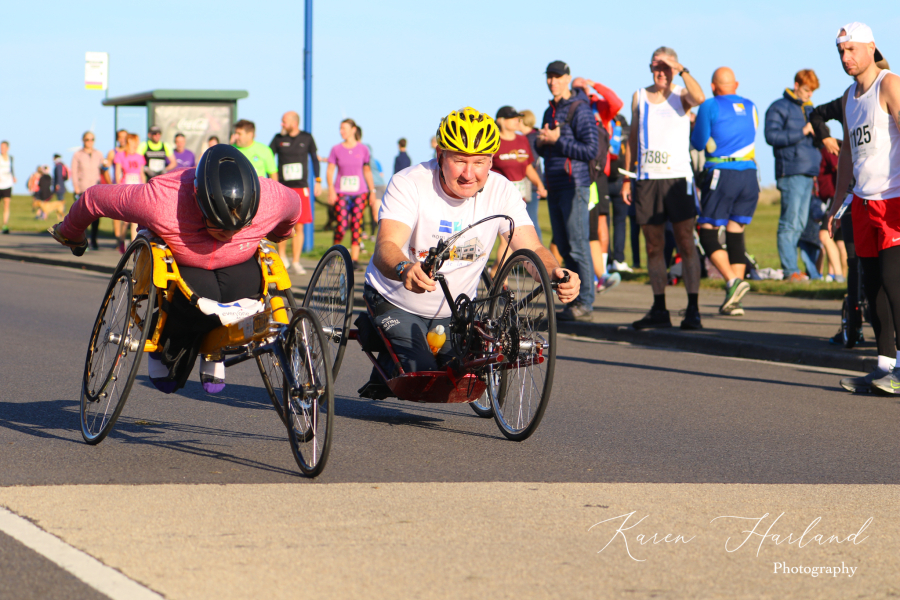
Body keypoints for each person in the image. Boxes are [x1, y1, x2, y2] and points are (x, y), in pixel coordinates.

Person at [357, 107, 580, 399]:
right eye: (459, 160)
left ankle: (412, 348)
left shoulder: (501, 190)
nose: (468, 174)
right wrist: (404, 268)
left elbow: (532, 249)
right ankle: (382, 345)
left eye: (479, 162)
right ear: (441, 156)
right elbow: (385, 246)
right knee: (421, 379)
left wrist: (553, 272)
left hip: (453, 311)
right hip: (396, 298)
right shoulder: (410, 182)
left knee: (461, 377)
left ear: (491, 161)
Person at [50, 145, 302, 395]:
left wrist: (280, 234)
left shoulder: (273, 198)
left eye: (238, 227)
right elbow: (94, 199)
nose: (228, 234)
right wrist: (71, 232)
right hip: (183, 263)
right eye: (219, 226)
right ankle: (168, 348)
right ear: (198, 201)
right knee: (193, 298)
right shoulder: (161, 199)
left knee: (249, 290)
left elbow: (295, 207)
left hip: (239, 261)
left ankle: (215, 347)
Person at [824, 23, 900, 394]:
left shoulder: (890, 84)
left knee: (894, 281)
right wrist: (838, 203)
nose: (846, 57)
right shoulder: (847, 97)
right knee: (872, 287)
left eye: (852, 49)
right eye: (841, 51)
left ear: (871, 48)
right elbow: (848, 155)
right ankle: (886, 366)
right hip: (863, 202)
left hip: (894, 198)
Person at [622, 47, 705, 329]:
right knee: (654, 246)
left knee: (685, 241)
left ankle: (693, 309)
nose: (661, 72)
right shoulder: (640, 96)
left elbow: (700, 98)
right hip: (647, 178)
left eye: (666, 67)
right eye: (656, 67)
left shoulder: (682, 93)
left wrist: (680, 69)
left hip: (678, 178)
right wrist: (626, 176)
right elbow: (632, 137)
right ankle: (659, 308)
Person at [690, 67, 759, 317]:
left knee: (707, 230)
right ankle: (734, 301)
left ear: (712, 86)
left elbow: (698, 143)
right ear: (736, 85)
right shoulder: (751, 106)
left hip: (722, 172)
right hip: (750, 173)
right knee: (735, 230)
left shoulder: (709, 105)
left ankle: (732, 281)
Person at [535, 60, 600, 321]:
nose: (553, 81)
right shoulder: (549, 111)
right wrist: (542, 143)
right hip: (555, 184)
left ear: (567, 78)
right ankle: (574, 302)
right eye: (549, 76)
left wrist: (557, 140)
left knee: (578, 245)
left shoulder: (580, 109)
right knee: (562, 244)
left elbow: (590, 150)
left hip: (576, 185)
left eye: (558, 76)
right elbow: (546, 150)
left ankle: (586, 302)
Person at [765, 69, 821, 282]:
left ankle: (801, 271)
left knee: (800, 224)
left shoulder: (808, 108)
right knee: (789, 223)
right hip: (791, 171)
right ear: (796, 85)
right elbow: (771, 136)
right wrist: (803, 132)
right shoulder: (779, 107)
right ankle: (790, 271)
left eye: (812, 91)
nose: (809, 95)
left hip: (809, 172)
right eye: (807, 90)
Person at [573, 77, 625, 294]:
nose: (579, 91)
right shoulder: (572, 107)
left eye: (581, 88)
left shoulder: (598, 106)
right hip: (577, 174)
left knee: (599, 221)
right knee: (573, 227)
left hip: (598, 174)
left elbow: (617, 103)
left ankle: (599, 272)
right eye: (575, 88)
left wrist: (595, 86)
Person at [489, 105, 547, 278]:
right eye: (512, 118)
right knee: (507, 239)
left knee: (523, 234)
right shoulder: (494, 141)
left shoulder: (522, 140)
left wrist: (540, 184)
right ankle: (501, 279)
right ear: (501, 121)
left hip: (524, 194)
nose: (517, 121)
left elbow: (528, 166)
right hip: (502, 194)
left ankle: (496, 275)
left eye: (517, 118)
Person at [269, 110, 320, 274]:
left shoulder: (307, 138)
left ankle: (296, 261)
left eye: (284, 121)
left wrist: (318, 180)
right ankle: (282, 257)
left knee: (300, 225)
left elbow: (314, 158)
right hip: (283, 188)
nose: (281, 124)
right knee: (282, 224)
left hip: (301, 187)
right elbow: (269, 158)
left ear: (294, 122)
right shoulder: (278, 139)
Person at [327, 118, 376, 269]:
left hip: (360, 193)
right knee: (341, 225)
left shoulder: (363, 149)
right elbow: (330, 170)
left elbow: (367, 171)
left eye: (344, 128)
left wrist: (372, 191)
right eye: (340, 128)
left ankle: (354, 259)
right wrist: (330, 190)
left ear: (353, 130)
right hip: (341, 192)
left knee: (356, 225)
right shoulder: (336, 149)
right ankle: (333, 256)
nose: (341, 131)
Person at [607, 114, 633, 273]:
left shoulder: (605, 125)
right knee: (620, 222)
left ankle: (609, 259)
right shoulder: (628, 131)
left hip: (605, 179)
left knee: (605, 222)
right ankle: (618, 259)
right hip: (622, 180)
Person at [71, 131, 105, 250]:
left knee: (96, 217)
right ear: (83, 140)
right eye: (87, 139)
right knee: (83, 217)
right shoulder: (78, 155)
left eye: (92, 139)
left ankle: (94, 240)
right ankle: (81, 241)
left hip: (96, 189)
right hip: (83, 188)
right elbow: (74, 172)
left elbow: (103, 169)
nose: (89, 142)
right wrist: (76, 187)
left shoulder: (99, 154)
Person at [113, 133, 147, 252]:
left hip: (137, 189)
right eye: (135, 142)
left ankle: (133, 245)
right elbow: (117, 173)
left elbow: (141, 173)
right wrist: (118, 188)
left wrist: (145, 188)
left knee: (135, 220)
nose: (136, 144)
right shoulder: (120, 156)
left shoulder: (140, 157)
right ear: (129, 142)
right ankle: (121, 240)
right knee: (126, 221)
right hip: (125, 189)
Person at [517, 109, 544, 242]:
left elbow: (530, 161)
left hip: (531, 184)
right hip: (529, 183)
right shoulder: (532, 136)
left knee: (531, 220)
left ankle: (538, 255)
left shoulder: (531, 138)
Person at [0, 141, 16, 234]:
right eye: (1, 147)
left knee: (6, 205)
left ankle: (5, 225)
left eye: (4, 147)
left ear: (7, 148)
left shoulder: (10, 158)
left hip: (7, 184)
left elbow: (11, 168)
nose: (2, 149)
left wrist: (13, 176)